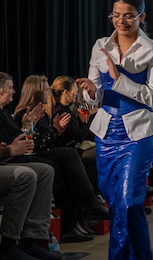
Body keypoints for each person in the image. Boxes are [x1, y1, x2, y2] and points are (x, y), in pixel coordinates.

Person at [77, 0, 153, 260]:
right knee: (114, 204)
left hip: (139, 130)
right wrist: (90, 91)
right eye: (116, 15)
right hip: (107, 132)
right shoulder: (100, 46)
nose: (121, 21)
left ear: (141, 16)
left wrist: (118, 77)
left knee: (130, 202)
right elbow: (95, 97)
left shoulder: (152, 48)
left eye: (128, 15)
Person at [0, 55, 62, 260]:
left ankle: (32, 239)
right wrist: (7, 150)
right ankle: (8, 245)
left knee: (45, 170)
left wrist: (5, 149)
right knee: (27, 174)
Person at [11, 74, 106, 240]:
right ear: (37, 92)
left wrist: (55, 130)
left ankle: (83, 215)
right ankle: (86, 207)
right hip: (33, 156)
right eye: (46, 89)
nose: (50, 92)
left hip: (47, 152)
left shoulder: (43, 112)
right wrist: (55, 130)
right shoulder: (25, 113)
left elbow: (48, 138)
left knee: (86, 164)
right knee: (69, 157)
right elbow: (36, 143)